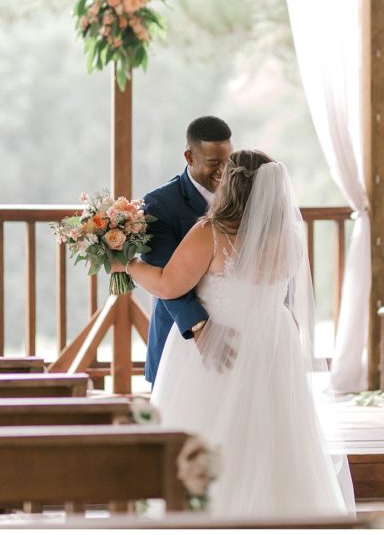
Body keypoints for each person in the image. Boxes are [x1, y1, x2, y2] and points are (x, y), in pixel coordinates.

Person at [114, 150, 355, 517]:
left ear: (233, 184)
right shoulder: (290, 237)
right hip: (273, 343)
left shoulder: (211, 232)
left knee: (211, 434)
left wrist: (126, 264)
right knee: (276, 438)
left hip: (217, 345)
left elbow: (167, 285)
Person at [141, 116, 235, 385]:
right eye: (214, 164)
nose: (223, 172)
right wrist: (199, 327)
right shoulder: (161, 203)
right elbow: (162, 278)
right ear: (189, 157)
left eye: (228, 161)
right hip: (181, 332)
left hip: (236, 332)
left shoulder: (244, 193)